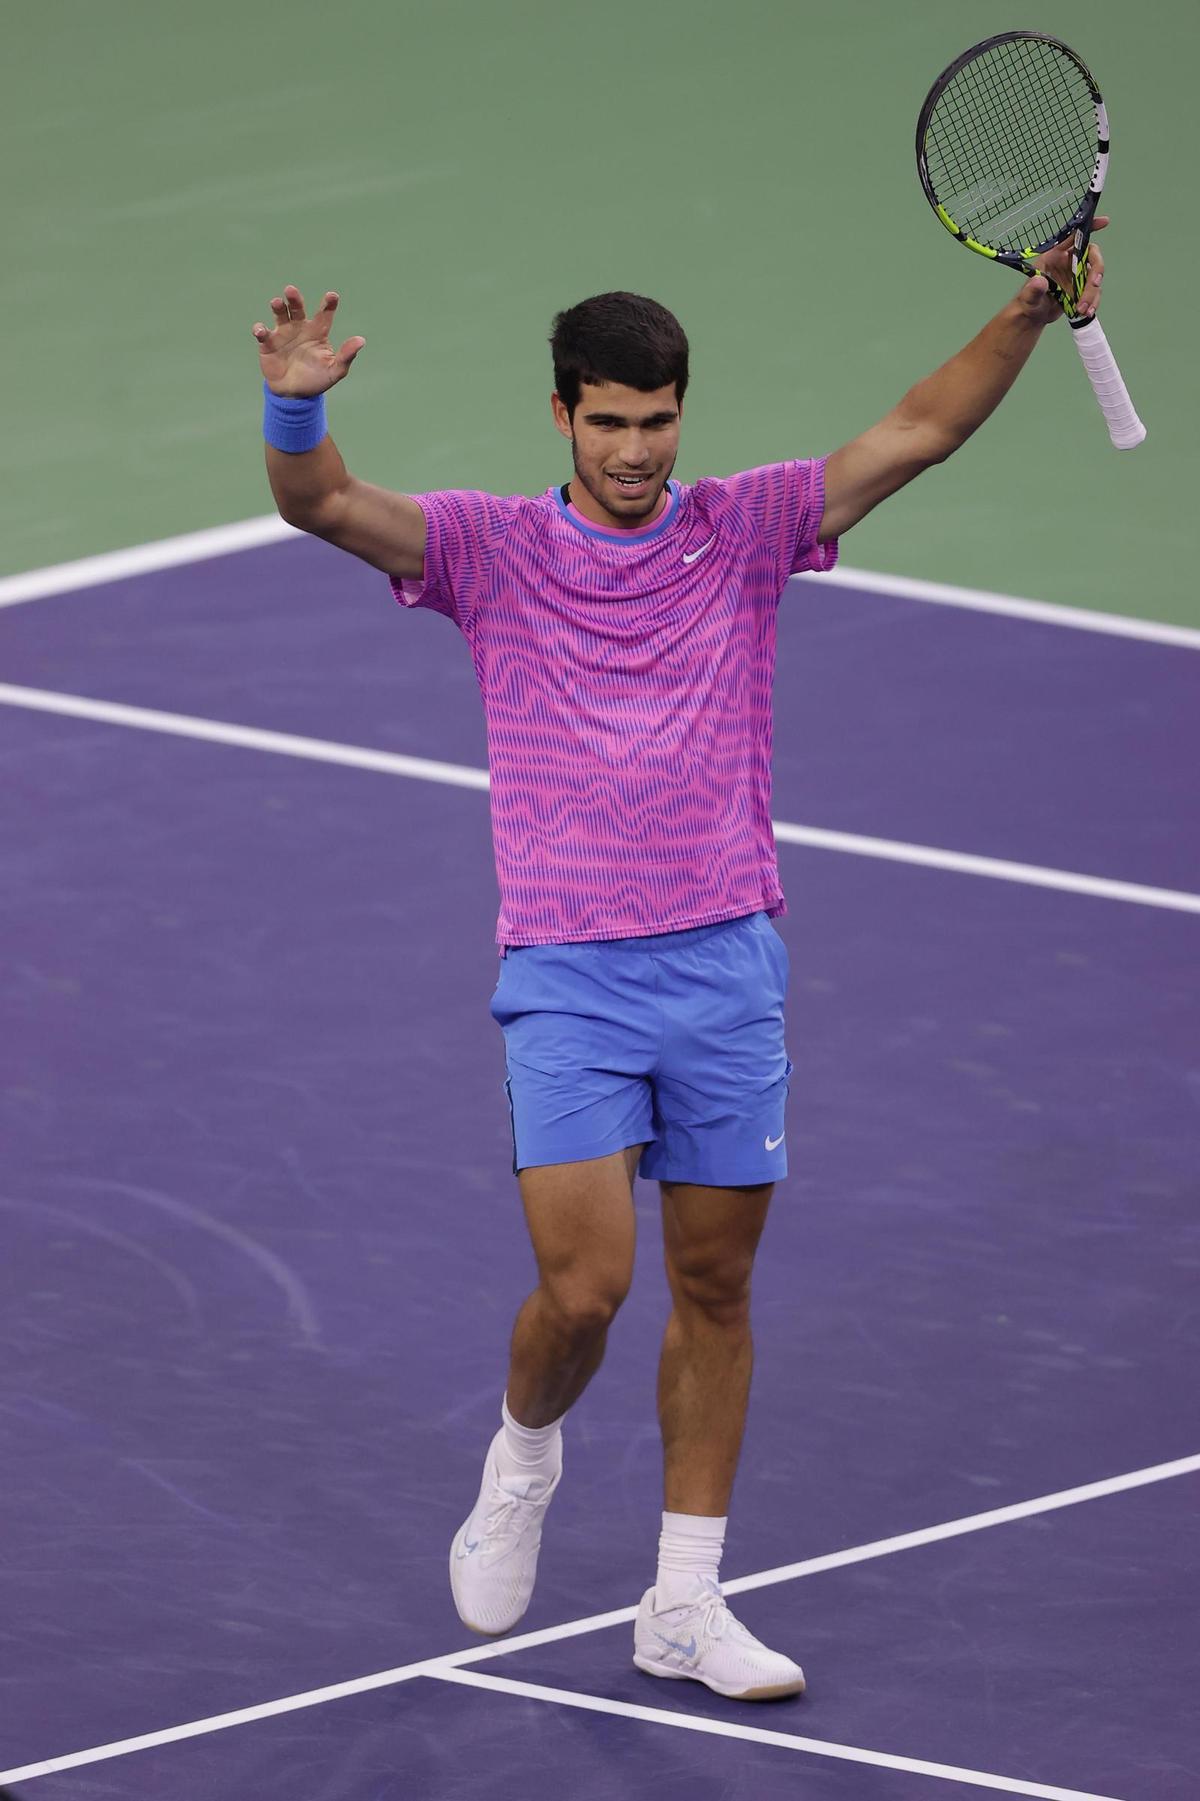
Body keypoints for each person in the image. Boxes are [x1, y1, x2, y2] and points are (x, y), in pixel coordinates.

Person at [252, 227, 1106, 1702]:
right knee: (584, 1289)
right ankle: (525, 1454)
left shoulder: (751, 526)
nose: (637, 450)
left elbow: (921, 429)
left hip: (725, 964)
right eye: (610, 421)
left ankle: (685, 1601)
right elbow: (320, 503)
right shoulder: (490, 549)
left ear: (677, 416)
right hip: (572, 977)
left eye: (658, 421)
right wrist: (296, 404)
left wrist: (1026, 316)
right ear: (563, 417)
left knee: (715, 1288)